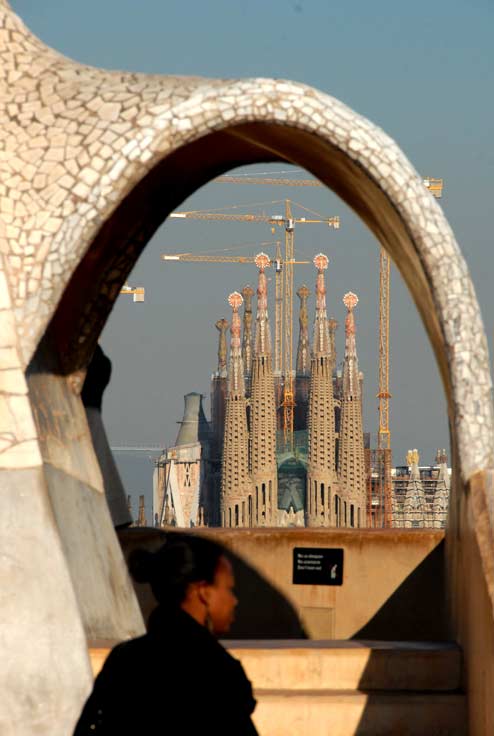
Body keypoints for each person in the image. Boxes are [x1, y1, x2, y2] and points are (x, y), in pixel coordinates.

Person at [73, 533, 258, 735]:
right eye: (228, 589)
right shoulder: (217, 672)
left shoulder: (124, 658)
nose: (234, 600)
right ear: (203, 591)